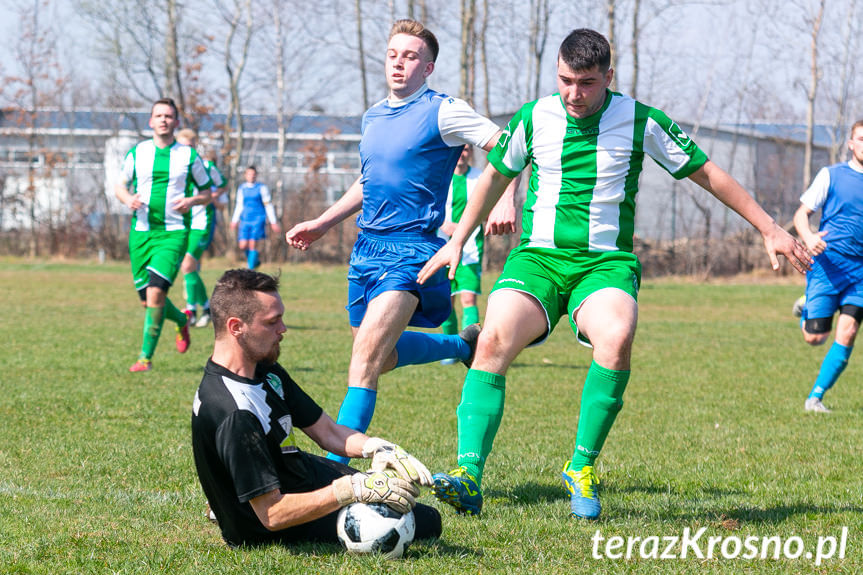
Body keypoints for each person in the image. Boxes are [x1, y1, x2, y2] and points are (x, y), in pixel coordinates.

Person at [418, 28, 811, 520]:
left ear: (608, 76)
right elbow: (496, 173)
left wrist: (770, 228)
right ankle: (469, 475)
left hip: (605, 264)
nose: (573, 94)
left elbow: (707, 172)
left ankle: (581, 469)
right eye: (564, 81)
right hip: (537, 258)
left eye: (585, 82)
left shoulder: (641, 121)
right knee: (494, 337)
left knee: (618, 335)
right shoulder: (535, 116)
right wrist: (458, 239)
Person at [284, 19, 516, 464]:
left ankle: (333, 470)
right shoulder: (372, 116)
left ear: (427, 67)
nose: (398, 63)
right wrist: (323, 221)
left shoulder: (443, 110)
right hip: (367, 249)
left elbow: (505, 145)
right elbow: (369, 182)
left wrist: (505, 197)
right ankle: (462, 346)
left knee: (364, 362)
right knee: (378, 354)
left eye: (410, 56)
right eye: (393, 54)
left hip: (413, 250)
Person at [191, 268, 442, 548]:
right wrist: (349, 491)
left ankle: (235, 494)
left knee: (404, 496)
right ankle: (236, 500)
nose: (283, 329)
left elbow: (326, 431)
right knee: (427, 522)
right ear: (236, 327)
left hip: (297, 473)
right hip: (271, 523)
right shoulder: (234, 412)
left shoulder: (263, 370)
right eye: (272, 322)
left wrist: (378, 448)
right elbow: (272, 514)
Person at [114, 97, 212, 373]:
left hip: (173, 234)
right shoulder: (137, 152)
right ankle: (181, 319)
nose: (164, 120)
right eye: (159, 116)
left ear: (176, 122)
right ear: (151, 121)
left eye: (169, 116)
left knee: (156, 295)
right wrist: (127, 199)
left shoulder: (188, 155)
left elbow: (206, 193)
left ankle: (145, 358)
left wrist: (191, 201)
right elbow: (119, 186)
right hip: (141, 234)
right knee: (148, 300)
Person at [792, 120, 863, 413]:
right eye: (861, 139)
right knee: (815, 337)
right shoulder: (832, 175)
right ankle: (806, 306)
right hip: (828, 266)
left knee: (847, 333)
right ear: (850, 143)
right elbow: (801, 214)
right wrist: (808, 236)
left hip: (860, 274)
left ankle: (815, 398)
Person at [438, 146, 486, 365]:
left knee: (468, 297)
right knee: (445, 300)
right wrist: (443, 224)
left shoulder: (479, 178)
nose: (463, 153)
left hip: (470, 249)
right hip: (440, 248)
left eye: (467, 149)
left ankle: (472, 349)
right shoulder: (440, 176)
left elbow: (489, 205)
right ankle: (450, 349)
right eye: (459, 149)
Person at [176, 129, 228, 328]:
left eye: (190, 147)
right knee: (189, 268)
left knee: (188, 266)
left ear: (195, 147)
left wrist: (211, 197)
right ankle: (206, 309)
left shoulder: (206, 166)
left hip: (201, 224)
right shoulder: (176, 168)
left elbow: (222, 184)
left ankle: (192, 310)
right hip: (182, 224)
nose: (186, 151)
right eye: (182, 147)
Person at [231, 166, 281, 270]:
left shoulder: (262, 188)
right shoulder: (242, 188)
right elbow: (239, 205)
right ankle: (255, 261)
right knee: (243, 245)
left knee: (253, 244)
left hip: (258, 218)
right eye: (249, 174)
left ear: (256, 175)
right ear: (246, 175)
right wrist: (234, 220)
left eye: (253, 174)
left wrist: (273, 222)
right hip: (245, 219)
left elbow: (268, 205)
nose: (251, 176)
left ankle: (250, 269)